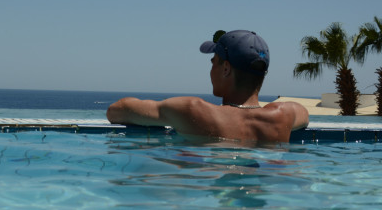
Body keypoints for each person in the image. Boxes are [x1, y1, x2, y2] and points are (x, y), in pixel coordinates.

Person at [106, 30, 309, 142]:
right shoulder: (285, 115)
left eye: (213, 62)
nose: (211, 70)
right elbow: (304, 115)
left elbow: (117, 110)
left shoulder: (193, 111)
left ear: (226, 68)